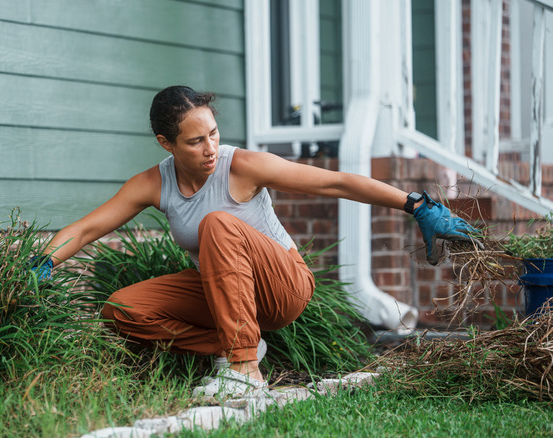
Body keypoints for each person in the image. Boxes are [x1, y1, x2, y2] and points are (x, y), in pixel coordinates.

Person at [35, 85, 478, 398]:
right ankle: (236, 347)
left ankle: (245, 370)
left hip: (284, 286)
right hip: (226, 290)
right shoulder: (155, 183)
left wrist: (417, 205)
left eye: (213, 133)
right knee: (123, 310)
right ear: (166, 143)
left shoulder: (241, 165)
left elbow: (336, 183)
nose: (210, 148)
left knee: (216, 224)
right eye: (194, 141)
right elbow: (87, 228)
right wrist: (42, 263)